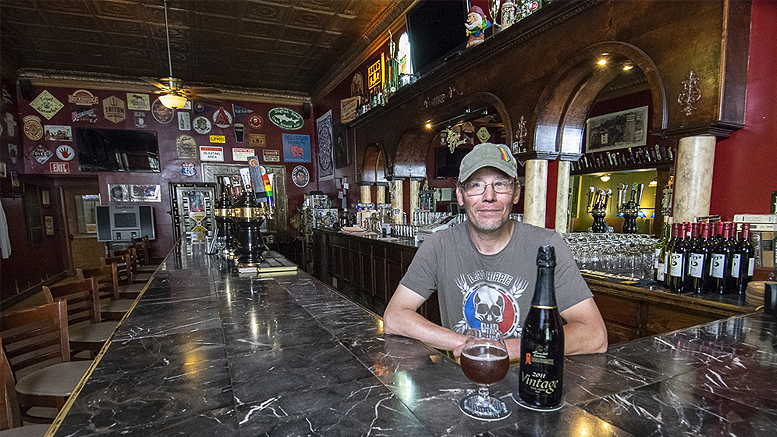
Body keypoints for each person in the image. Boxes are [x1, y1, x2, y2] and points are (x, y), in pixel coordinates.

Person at [383, 142, 607, 359]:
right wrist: (466, 344)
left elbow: (594, 335)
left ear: (516, 193)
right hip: (463, 381)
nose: (488, 196)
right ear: (460, 195)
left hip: (529, 381)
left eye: (500, 184)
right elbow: (394, 317)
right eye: (476, 185)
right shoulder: (440, 245)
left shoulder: (546, 246)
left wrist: (504, 350)